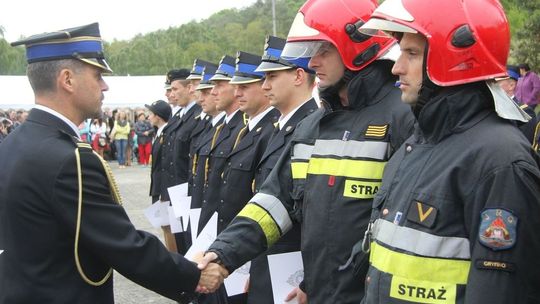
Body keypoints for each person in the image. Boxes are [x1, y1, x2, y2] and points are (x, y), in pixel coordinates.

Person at [199, 0, 415, 303]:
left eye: (323, 50)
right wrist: (223, 255)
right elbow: (275, 202)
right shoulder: (313, 127)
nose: (312, 63)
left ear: (358, 47)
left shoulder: (405, 119)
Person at [0, 22, 226, 303]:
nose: (105, 85)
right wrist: (194, 275)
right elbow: (123, 244)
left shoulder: (14, 143)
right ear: (67, 80)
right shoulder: (70, 160)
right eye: (97, 75)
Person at [355, 0, 540, 302]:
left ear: (454, 59)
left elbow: (499, 291)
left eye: (411, 54)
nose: (397, 68)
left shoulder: (500, 161)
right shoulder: (416, 144)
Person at [247, 35, 319, 304]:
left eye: (272, 76)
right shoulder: (281, 128)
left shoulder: (313, 129)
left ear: (299, 76)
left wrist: (307, 278)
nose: (264, 85)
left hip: (291, 270)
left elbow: (313, 218)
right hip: (270, 263)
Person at [496, 67, 539, 145]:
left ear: (511, 86)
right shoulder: (494, 108)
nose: (493, 85)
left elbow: (526, 144)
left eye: (496, 82)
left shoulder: (525, 111)